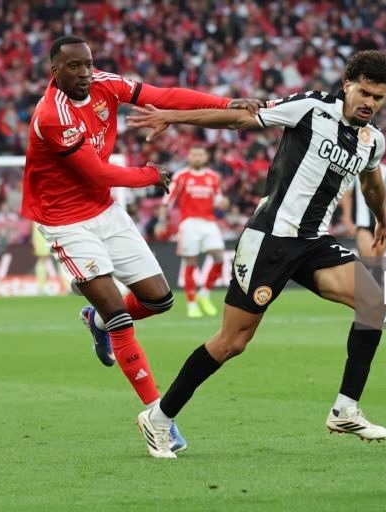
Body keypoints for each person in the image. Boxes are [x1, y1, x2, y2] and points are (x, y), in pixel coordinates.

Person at [127, 50, 386, 458]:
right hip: (270, 238)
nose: (370, 103)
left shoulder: (370, 139)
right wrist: (176, 117)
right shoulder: (310, 108)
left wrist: (381, 218)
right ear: (347, 84)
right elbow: (241, 119)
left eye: (379, 98)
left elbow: (372, 181)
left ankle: (345, 408)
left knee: (372, 302)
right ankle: (159, 418)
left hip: (313, 242)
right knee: (231, 342)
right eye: (364, 92)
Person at [21, 35, 261, 455]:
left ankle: (94, 321)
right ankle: (157, 418)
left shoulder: (104, 84)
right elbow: (96, 172)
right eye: (73, 66)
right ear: (54, 71)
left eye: (88, 64)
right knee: (119, 314)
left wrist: (227, 104)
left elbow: (163, 95)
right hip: (65, 221)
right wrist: (149, 175)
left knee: (159, 300)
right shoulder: (51, 115)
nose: (84, 73)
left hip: (105, 212)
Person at [165, 145, 227, 318]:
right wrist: (163, 221)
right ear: (189, 157)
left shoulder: (213, 177)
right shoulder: (181, 176)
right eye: (194, 154)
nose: (197, 157)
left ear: (206, 157)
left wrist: (224, 203)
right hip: (190, 223)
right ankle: (191, 303)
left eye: (200, 154)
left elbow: (218, 200)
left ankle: (204, 294)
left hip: (209, 222)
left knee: (219, 257)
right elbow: (168, 199)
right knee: (191, 262)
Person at [341, 162, 386, 277]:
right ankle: (367, 284)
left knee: (379, 258)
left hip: (381, 222)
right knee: (369, 257)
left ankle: (376, 287)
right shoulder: (356, 169)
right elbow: (347, 196)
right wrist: (347, 219)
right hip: (361, 223)